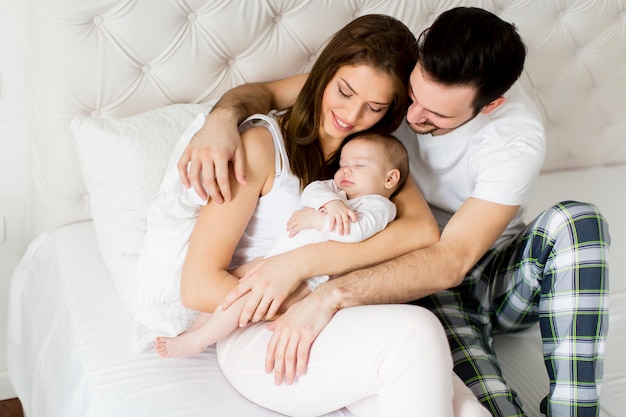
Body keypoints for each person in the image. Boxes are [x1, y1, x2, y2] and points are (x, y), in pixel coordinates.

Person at [177, 7, 611, 417]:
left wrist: (323, 289)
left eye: (437, 114)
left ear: (490, 105)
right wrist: (220, 120)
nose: (412, 114)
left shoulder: (514, 138)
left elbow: (447, 260)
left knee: (577, 221)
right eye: (412, 97)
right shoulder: (382, 88)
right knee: (482, 404)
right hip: (410, 279)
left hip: (480, 270)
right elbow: (272, 93)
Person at [170, 13, 489, 417]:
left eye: (374, 107)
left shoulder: (369, 157)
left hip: (331, 317)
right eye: (344, 91)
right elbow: (197, 287)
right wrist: (298, 299)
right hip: (254, 332)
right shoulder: (261, 146)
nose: (351, 116)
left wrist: (309, 276)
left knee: (467, 410)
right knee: (419, 331)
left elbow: (422, 232)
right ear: (323, 73)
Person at [155, 132, 408, 358]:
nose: (345, 171)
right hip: (276, 259)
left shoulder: (379, 206)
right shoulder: (335, 191)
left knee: (247, 298)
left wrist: (317, 219)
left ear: (390, 178)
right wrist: (330, 203)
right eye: (342, 165)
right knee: (232, 284)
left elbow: (354, 232)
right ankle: (193, 330)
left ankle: (199, 341)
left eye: (359, 165)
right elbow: (312, 190)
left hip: (308, 278)